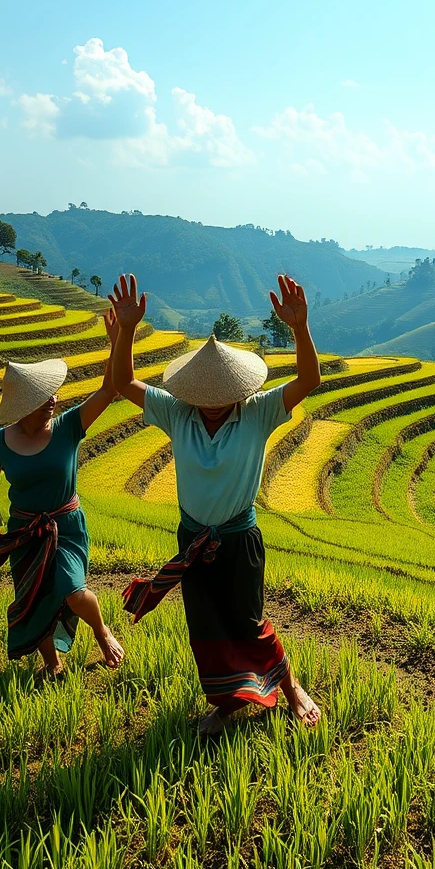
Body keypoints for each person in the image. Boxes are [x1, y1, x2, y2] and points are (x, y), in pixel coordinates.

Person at [109, 272, 321, 733]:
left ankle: (290, 688)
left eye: (219, 397)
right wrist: (125, 329)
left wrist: (300, 328)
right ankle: (228, 704)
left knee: (248, 623)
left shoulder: (259, 411)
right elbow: (123, 381)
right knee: (205, 628)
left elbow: (309, 378)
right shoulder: (176, 411)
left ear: (238, 391)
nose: (209, 405)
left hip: (239, 539)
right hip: (192, 539)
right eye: (202, 397)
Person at [0, 310, 126, 677]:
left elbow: (110, 389)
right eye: (44, 396)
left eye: (53, 393)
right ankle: (52, 662)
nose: (54, 399)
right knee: (33, 600)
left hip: (66, 527)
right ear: (22, 406)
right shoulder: (1, 441)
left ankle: (101, 630)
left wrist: (118, 340)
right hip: (25, 531)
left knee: (73, 591)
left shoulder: (68, 426)